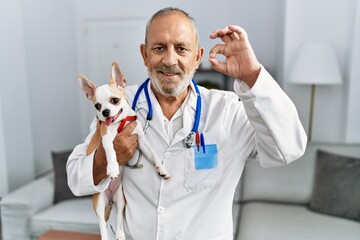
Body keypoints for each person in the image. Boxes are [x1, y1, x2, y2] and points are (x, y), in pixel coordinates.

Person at [67, 7, 307, 240]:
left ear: (197, 57)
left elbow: (289, 149)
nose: (170, 60)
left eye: (181, 49)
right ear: (145, 55)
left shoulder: (226, 109)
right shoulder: (118, 105)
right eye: (160, 48)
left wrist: (252, 74)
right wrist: (108, 156)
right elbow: (76, 179)